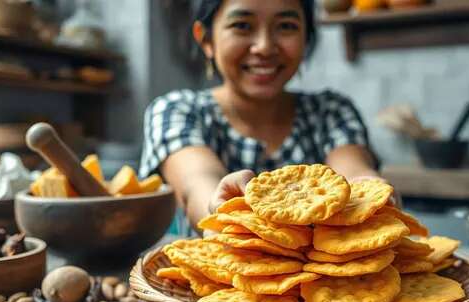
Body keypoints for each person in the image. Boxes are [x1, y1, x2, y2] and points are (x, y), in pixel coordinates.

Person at [139, 0, 386, 234]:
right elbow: (197, 183)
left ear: (306, 38)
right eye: (242, 25)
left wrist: (370, 191)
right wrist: (220, 204)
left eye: (286, 26)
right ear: (206, 38)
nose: (265, 46)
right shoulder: (178, 110)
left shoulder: (331, 111)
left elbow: (353, 169)